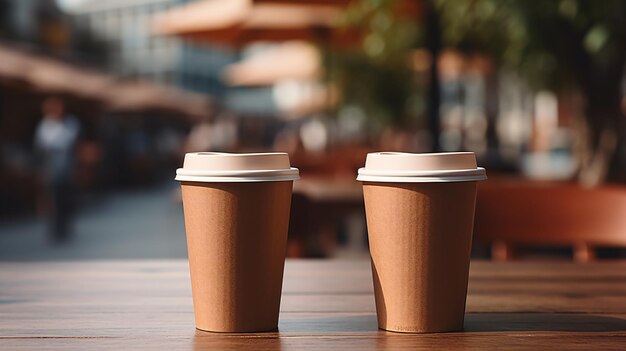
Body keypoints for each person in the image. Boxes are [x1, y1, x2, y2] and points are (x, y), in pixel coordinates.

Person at [34, 97, 80, 242]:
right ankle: (54, 228)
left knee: (65, 199)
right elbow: (41, 145)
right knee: (52, 199)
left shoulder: (69, 123)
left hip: (66, 167)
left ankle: (64, 227)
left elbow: (69, 142)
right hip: (51, 168)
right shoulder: (45, 125)